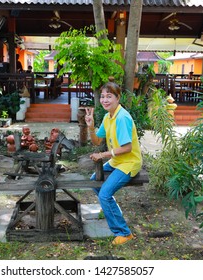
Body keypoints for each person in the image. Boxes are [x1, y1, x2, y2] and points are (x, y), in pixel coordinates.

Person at [84, 80, 142, 245]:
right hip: (117, 161)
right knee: (95, 182)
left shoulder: (122, 117)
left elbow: (127, 148)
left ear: (118, 98)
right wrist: (91, 126)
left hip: (129, 162)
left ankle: (124, 233)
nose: (105, 100)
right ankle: (111, 210)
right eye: (102, 97)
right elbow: (96, 141)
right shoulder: (108, 116)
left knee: (104, 193)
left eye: (109, 96)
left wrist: (103, 155)